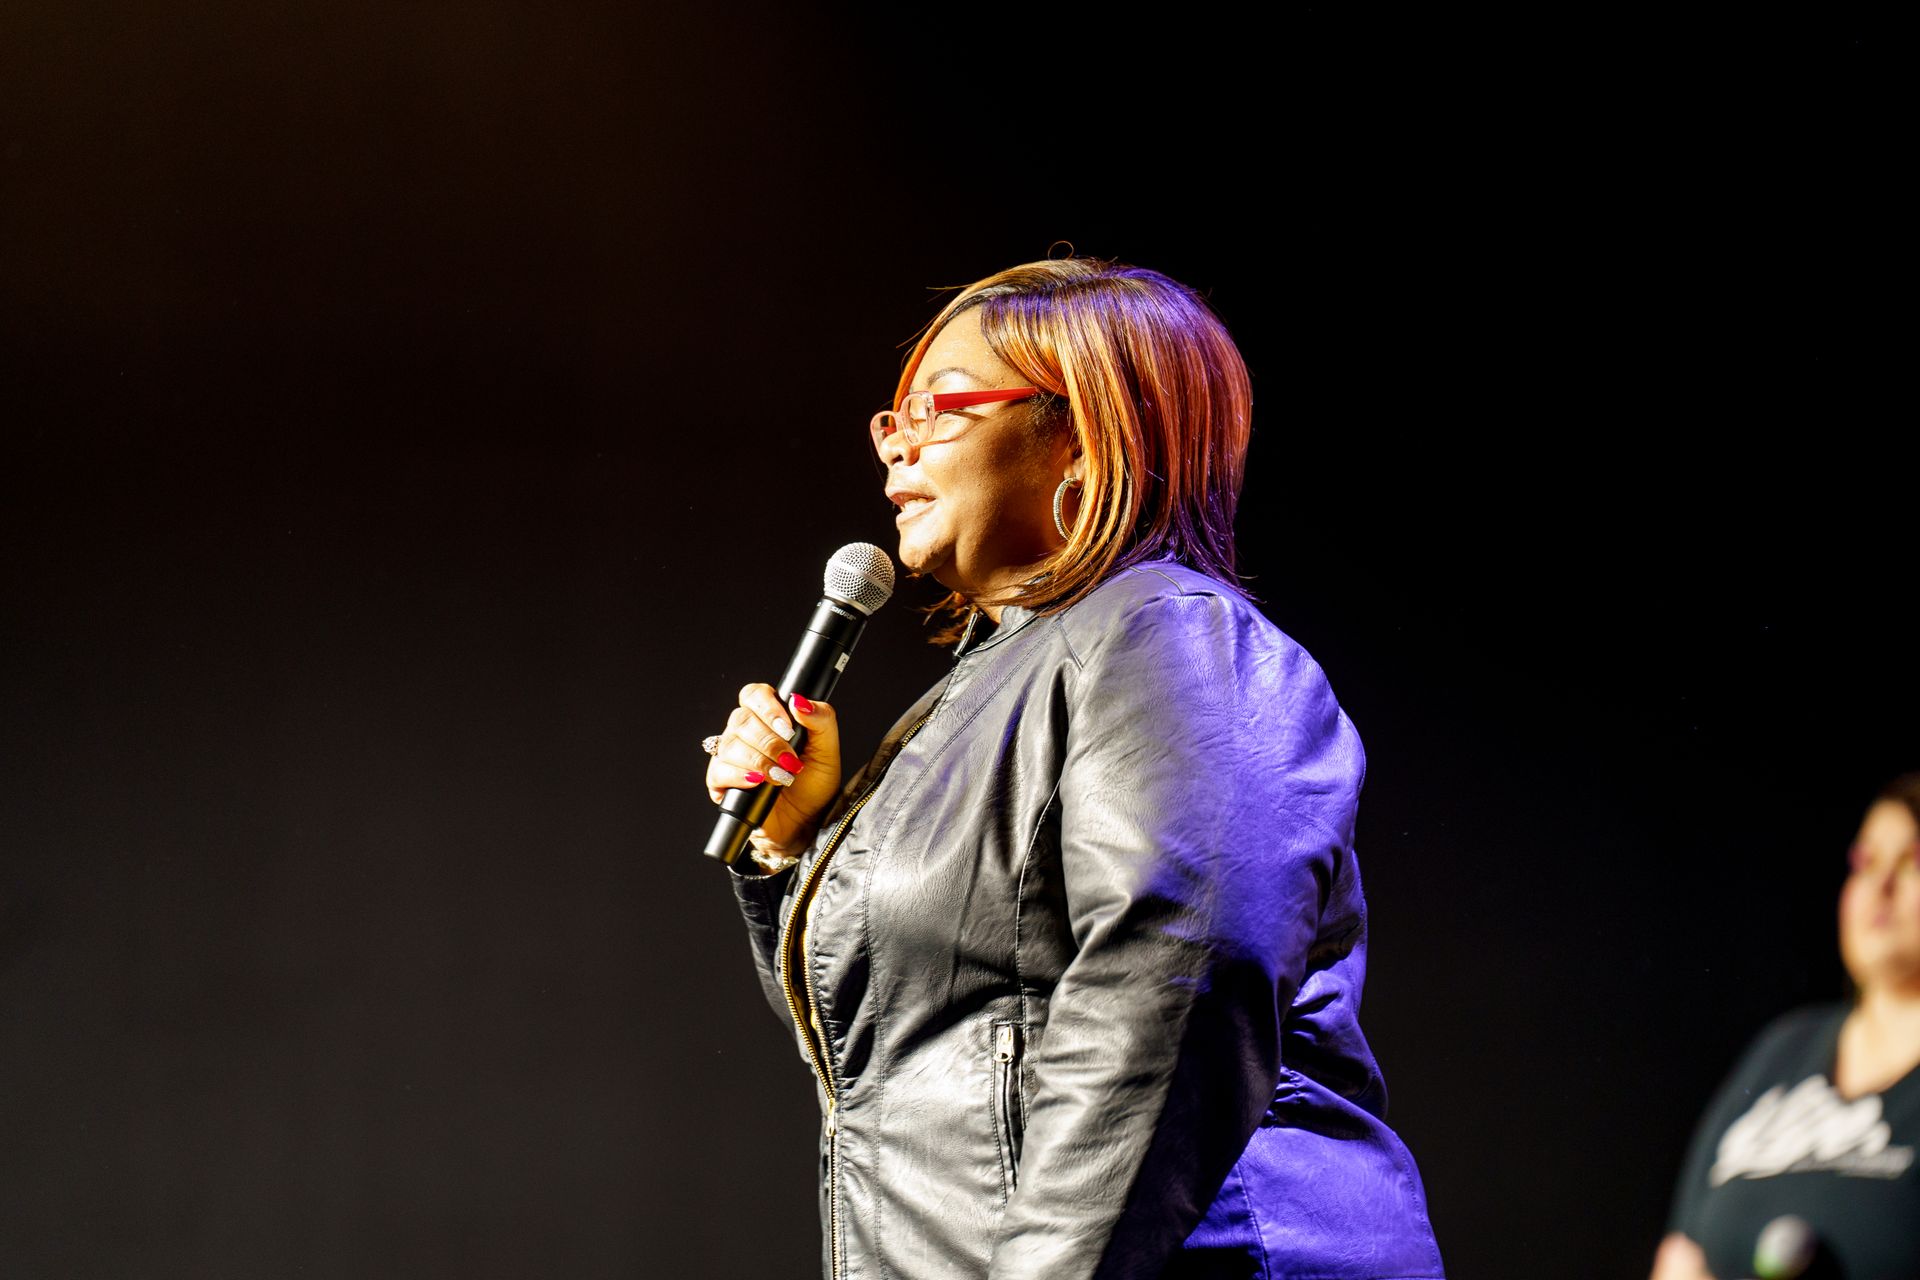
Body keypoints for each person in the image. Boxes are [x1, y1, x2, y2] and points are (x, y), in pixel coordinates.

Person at [701, 258, 1444, 1280]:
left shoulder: (1169, 640)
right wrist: (791, 843)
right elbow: (879, 1055)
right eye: (893, 415)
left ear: (1084, 437)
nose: (897, 437)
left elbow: (1174, 987)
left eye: (943, 404)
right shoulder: (969, 702)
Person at [1652, 776, 1920, 1280]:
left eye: (1912, 862)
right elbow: (1681, 1259)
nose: (1881, 886)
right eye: (1866, 864)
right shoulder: (1782, 1050)